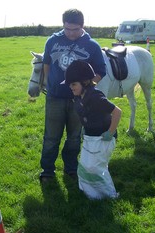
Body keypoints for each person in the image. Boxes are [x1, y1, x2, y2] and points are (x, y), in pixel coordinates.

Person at [39, 9, 106, 182]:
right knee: (51, 137)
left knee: (75, 137)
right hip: (55, 97)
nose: (70, 33)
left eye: (74, 29)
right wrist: (48, 82)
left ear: (82, 26)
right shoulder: (53, 41)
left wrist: (86, 89)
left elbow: (100, 71)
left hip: (79, 101)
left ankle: (71, 167)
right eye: (67, 29)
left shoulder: (92, 45)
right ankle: (47, 170)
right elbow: (46, 63)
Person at [62, 60, 121, 199]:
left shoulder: (96, 97)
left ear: (85, 82)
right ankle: (90, 194)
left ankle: (110, 195)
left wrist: (110, 133)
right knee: (84, 167)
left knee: (95, 168)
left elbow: (117, 112)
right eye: (70, 85)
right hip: (90, 136)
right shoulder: (78, 97)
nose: (71, 87)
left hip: (103, 138)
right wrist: (85, 128)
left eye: (74, 84)